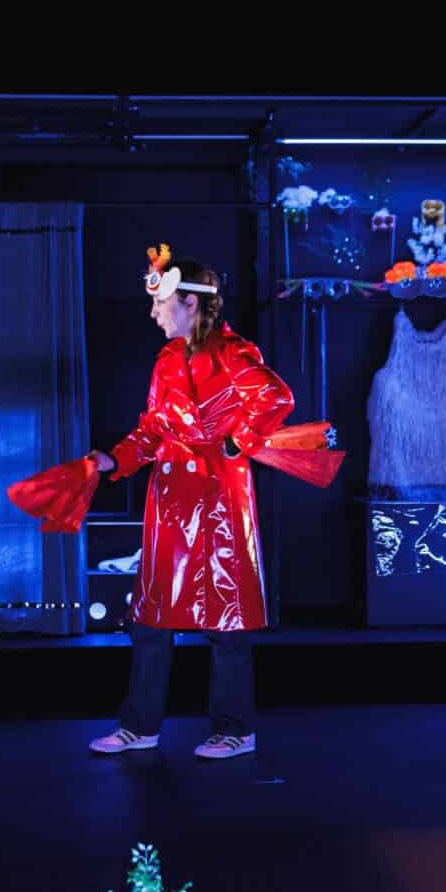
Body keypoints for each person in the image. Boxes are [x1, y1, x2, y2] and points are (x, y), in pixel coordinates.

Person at [86, 248, 296, 759]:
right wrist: (116, 461)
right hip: (172, 501)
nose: (154, 312)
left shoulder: (233, 352)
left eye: (161, 303)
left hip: (218, 498)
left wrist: (234, 442)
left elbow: (275, 398)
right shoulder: (165, 361)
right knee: (150, 618)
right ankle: (141, 725)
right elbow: (153, 430)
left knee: (225, 622)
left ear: (189, 303)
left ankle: (235, 730)